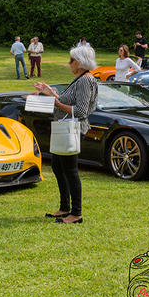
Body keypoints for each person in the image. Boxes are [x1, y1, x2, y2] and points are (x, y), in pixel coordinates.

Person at [33, 46, 98, 224]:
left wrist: (56, 103)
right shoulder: (79, 79)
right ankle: (64, 207)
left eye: (71, 60)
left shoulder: (85, 80)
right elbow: (65, 100)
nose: (69, 63)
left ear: (81, 62)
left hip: (73, 129)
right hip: (64, 128)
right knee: (58, 166)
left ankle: (76, 213)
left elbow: (82, 111)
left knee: (69, 170)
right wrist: (51, 92)